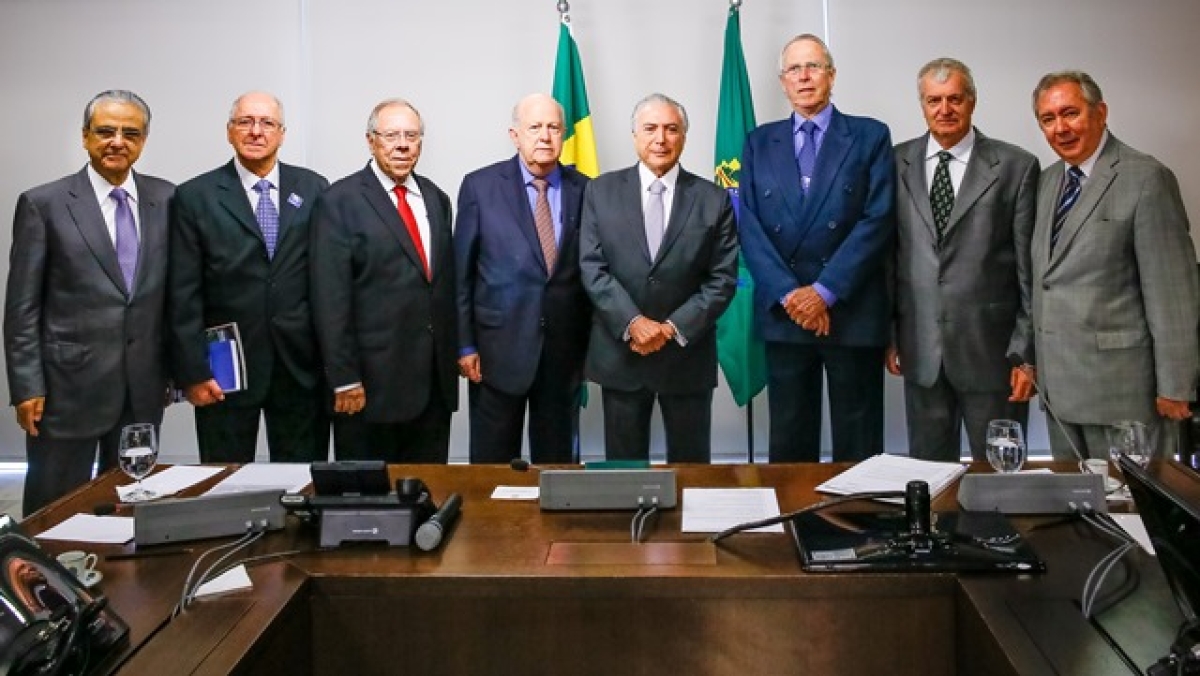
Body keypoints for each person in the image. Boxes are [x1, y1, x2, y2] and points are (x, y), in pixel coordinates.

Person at [4, 90, 173, 515]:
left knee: (131, 507)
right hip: (66, 390)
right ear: (84, 137)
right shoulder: (44, 204)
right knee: (54, 511)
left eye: (130, 133)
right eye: (106, 131)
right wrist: (26, 385)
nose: (118, 141)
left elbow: (175, 295)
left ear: (144, 140)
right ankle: (41, 582)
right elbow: (22, 306)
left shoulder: (168, 200)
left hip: (142, 388)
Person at [739, 34, 896, 463]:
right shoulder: (758, 142)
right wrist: (793, 296)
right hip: (785, 315)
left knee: (859, 442)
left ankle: (862, 525)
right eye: (794, 69)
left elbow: (877, 219)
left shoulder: (870, 136)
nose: (804, 77)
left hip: (850, 310)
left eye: (813, 67)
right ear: (782, 81)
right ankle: (795, 527)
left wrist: (823, 291)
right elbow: (749, 225)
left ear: (832, 75)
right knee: (790, 444)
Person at [1030, 71, 1199, 459]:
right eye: (1048, 119)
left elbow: (1173, 292)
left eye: (1070, 113)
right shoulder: (1047, 181)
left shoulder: (1146, 179)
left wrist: (1175, 385)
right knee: (1073, 513)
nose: (1060, 128)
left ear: (1101, 112)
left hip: (1123, 396)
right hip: (1059, 393)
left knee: (1130, 513)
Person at [887, 58, 1040, 462]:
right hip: (920, 349)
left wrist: (1025, 352)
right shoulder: (894, 162)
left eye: (955, 99)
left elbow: (1030, 270)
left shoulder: (1015, 167)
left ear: (972, 101)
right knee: (930, 480)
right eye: (934, 100)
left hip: (991, 353)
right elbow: (889, 258)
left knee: (1000, 479)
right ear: (922, 104)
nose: (945, 109)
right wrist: (891, 334)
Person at [168, 91, 331, 463]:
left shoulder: (314, 188)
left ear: (282, 133)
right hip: (224, 370)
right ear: (229, 132)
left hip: (300, 367)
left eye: (267, 123)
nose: (256, 131)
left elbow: (328, 279)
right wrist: (192, 371)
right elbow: (182, 293)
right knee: (223, 483)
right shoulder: (196, 196)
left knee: (301, 483)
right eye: (246, 122)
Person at [579, 93, 738, 463]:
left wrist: (668, 329)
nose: (660, 139)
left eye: (671, 129)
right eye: (650, 129)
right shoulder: (599, 191)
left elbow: (723, 277)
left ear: (684, 136)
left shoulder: (713, 198)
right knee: (623, 472)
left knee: (692, 470)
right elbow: (591, 267)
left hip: (686, 356)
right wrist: (633, 322)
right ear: (635, 135)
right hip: (621, 354)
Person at [309, 98, 457, 462]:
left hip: (432, 386)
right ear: (371, 140)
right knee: (369, 504)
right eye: (391, 135)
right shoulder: (339, 201)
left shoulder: (437, 199)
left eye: (412, 135)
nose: (403, 144)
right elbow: (330, 298)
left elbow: (441, 287)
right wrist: (344, 378)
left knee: (427, 494)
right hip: (370, 388)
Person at [454, 93, 591, 464]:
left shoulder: (587, 190)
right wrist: (465, 345)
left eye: (553, 127)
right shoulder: (480, 187)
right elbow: (461, 275)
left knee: (557, 467)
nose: (545, 136)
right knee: (492, 468)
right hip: (496, 353)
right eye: (535, 127)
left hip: (563, 355)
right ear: (515, 135)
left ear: (563, 134)